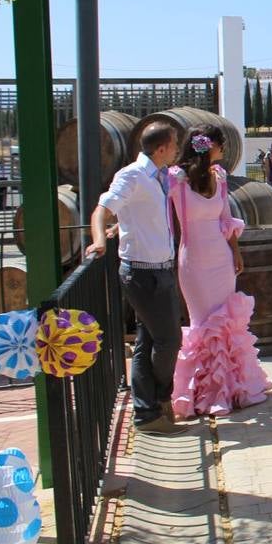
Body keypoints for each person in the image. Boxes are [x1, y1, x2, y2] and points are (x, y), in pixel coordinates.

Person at [87, 122, 186, 435]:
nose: (176, 150)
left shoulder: (157, 176)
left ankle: (148, 414)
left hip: (158, 269)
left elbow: (137, 213)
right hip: (143, 272)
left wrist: (121, 227)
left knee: (148, 341)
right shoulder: (133, 175)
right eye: (174, 145)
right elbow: (102, 209)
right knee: (169, 340)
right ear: (161, 149)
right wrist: (100, 239)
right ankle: (158, 400)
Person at [167, 126, 271, 418]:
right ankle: (205, 393)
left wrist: (236, 251)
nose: (224, 148)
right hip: (194, 262)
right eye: (220, 143)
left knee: (227, 321)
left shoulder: (219, 176)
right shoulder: (177, 178)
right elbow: (163, 214)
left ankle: (235, 388)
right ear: (207, 146)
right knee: (203, 322)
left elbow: (226, 218)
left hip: (221, 259)